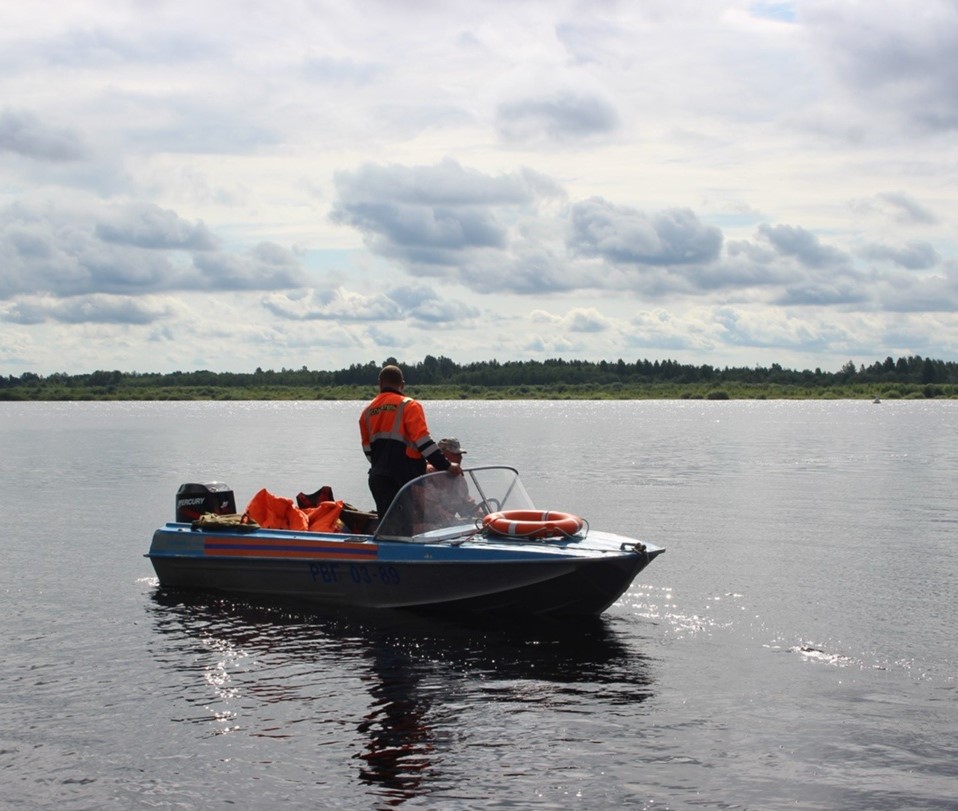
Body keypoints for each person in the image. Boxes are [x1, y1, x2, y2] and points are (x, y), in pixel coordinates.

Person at [359, 365, 461, 518]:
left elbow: (368, 451)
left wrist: (383, 465)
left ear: (380, 383)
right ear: (403, 384)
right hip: (405, 481)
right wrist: (446, 466)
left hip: (378, 478)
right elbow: (424, 443)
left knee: (388, 527)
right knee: (408, 528)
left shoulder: (367, 412)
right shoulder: (409, 406)